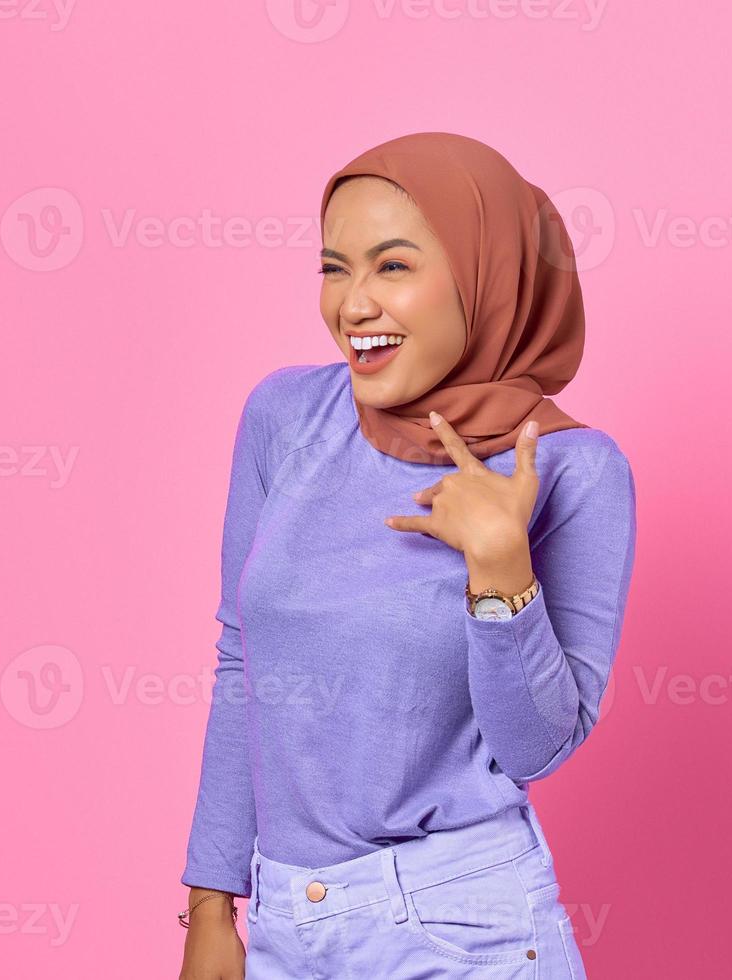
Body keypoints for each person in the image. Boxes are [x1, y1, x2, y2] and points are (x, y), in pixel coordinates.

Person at [176, 132, 637, 979]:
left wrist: (500, 568)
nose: (352, 305)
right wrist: (211, 904)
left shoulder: (573, 470)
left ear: (484, 277)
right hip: (284, 922)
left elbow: (536, 746)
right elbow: (243, 659)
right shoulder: (287, 419)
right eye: (333, 268)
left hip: (462, 928)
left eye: (392, 267)